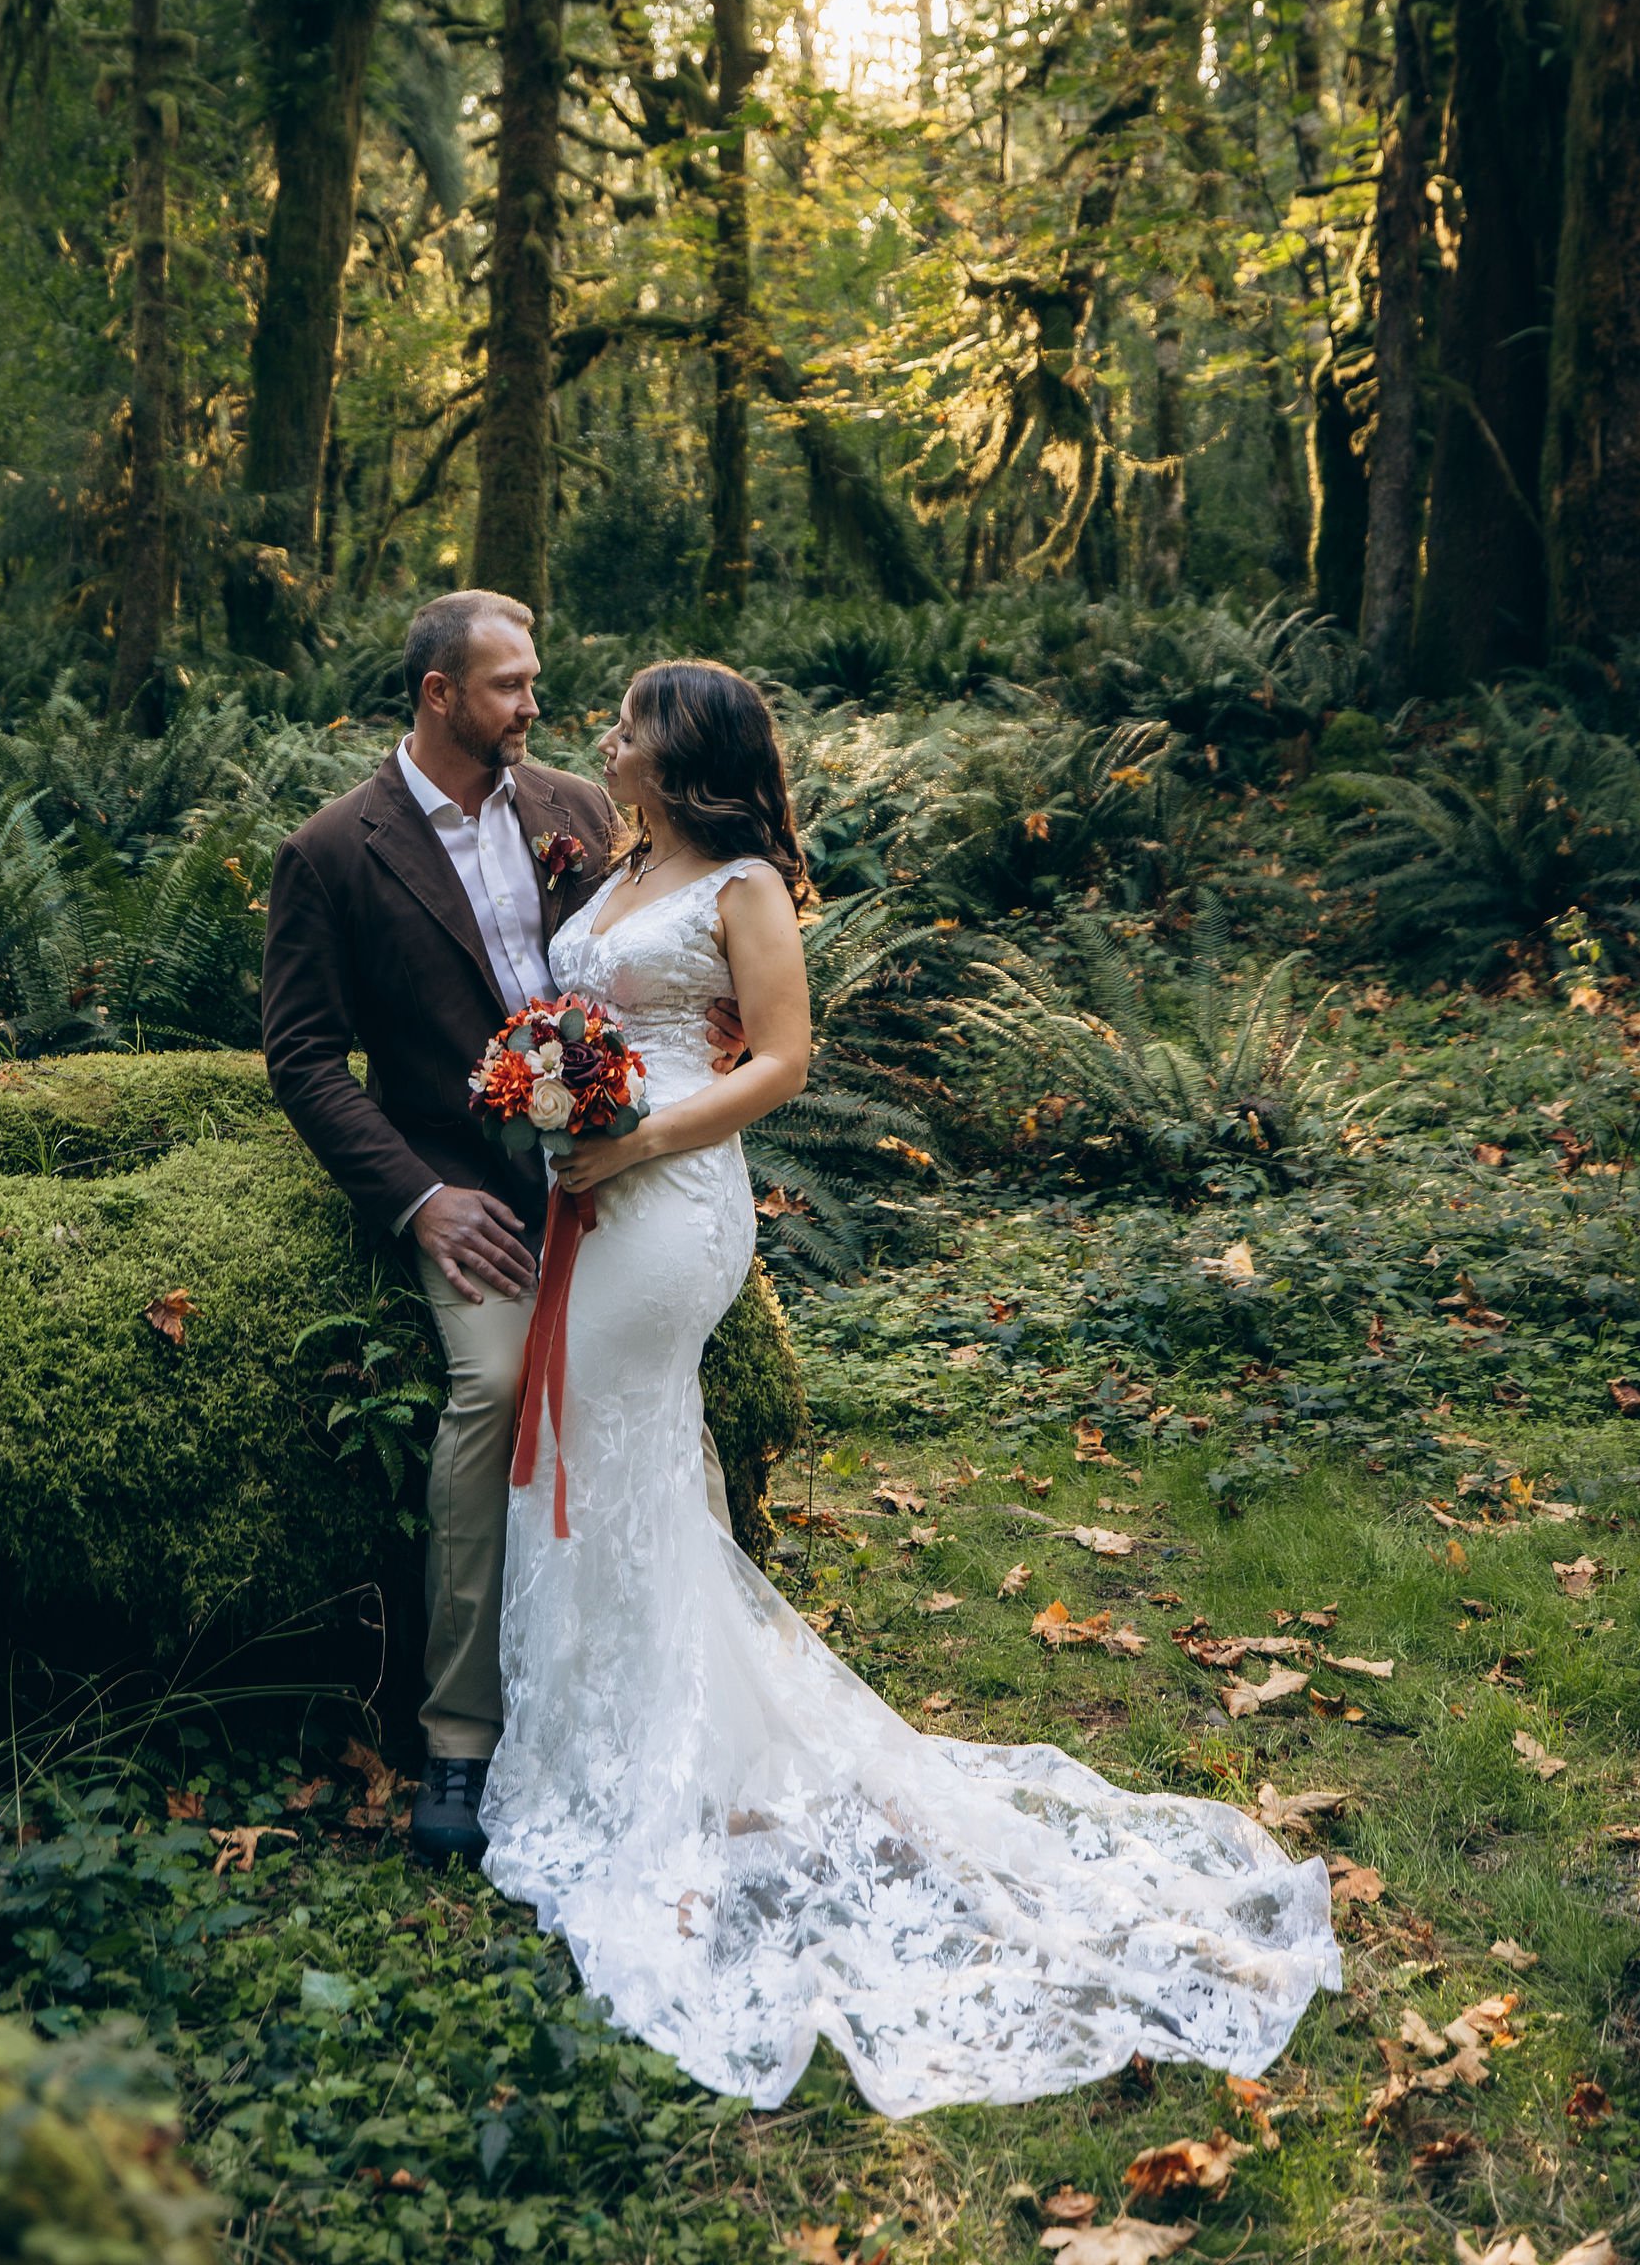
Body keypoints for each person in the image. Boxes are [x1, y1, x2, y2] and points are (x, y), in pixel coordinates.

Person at [477, 656, 1343, 2116]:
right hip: (600, 1191)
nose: (604, 740)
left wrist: (632, 1140)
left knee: (612, 1443)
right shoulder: (624, 871)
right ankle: (621, 1733)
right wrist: (555, 1093)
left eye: (627, 724)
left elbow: (788, 1065)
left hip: (675, 1201)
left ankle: (650, 1758)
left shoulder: (741, 885)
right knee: (597, 1449)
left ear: (682, 754)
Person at [260, 590, 740, 1867]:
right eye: (509, 687)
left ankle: (681, 1692)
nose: (536, 706)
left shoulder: (578, 810)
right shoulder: (329, 852)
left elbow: (683, 953)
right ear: (437, 696)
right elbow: (302, 1059)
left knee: (646, 1385)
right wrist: (419, 1200)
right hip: (461, 1188)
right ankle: (460, 1743)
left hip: (620, 1172)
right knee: (490, 1396)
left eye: (532, 682)